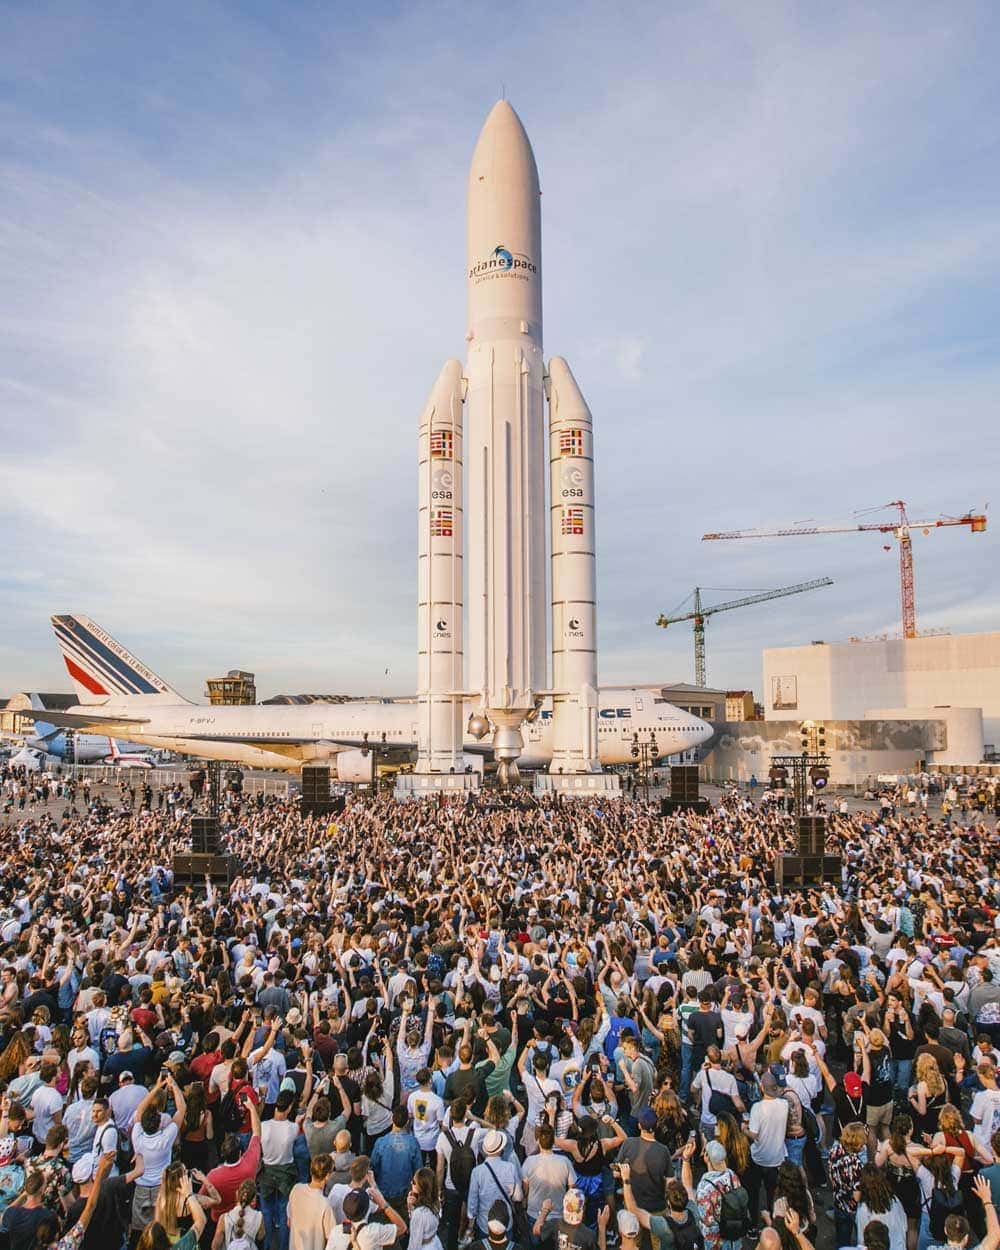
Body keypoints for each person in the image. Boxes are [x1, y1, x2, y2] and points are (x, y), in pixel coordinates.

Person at [745, 1073, 787, 1229]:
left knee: (753, 1193)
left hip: (758, 1157)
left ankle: (753, 1226)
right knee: (772, 1194)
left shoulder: (757, 1108)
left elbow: (754, 1134)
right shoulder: (784, 1105)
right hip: (776, 1158)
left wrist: (744, 1129)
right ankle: (773, 1224)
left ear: (762, 1088)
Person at [287, 1153, 334, 1250]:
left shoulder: (296, 1189)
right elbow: (331, 1238)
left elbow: (289, 1221)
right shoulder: (325, 1204)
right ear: (327, 1176)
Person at [211, 1177, 264, 1249]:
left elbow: (215, 1246)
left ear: (237, 1194)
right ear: (253, 1199)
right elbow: (260, 1237)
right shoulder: (259, 1216)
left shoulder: (224, 1218)